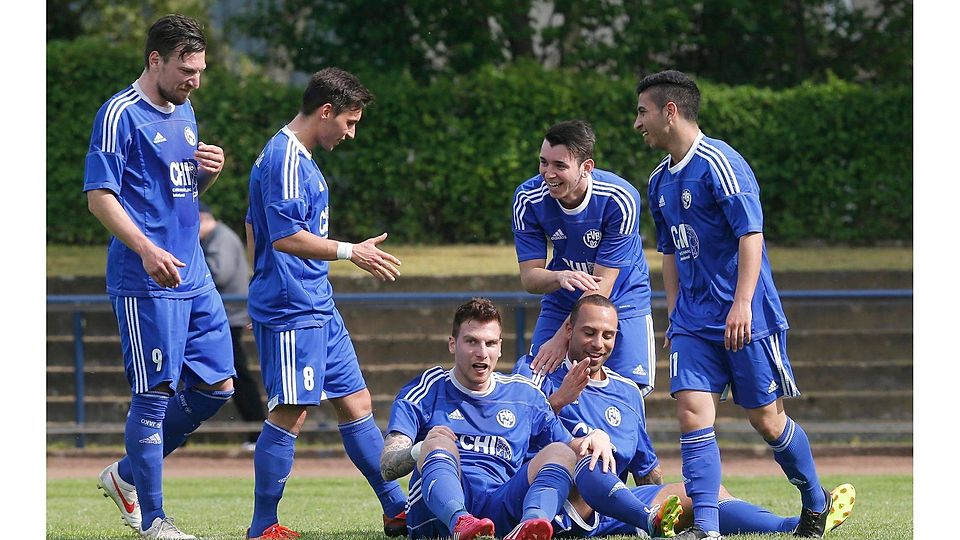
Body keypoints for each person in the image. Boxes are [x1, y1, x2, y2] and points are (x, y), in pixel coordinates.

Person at [635, 69, 834, 539]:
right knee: (691, 413)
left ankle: (814, 499)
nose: (637, 123)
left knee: (767, 420)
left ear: (670, 111)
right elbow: (668, 252)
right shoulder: (658, 180)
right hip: (693, 321)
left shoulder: (721, 162)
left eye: (642, 112)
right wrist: (674, 311)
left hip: (745, 316)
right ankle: (706, 528)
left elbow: (751, 236)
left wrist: (742, 303)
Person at [515, 295, 856, 538]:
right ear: (568, 329)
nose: (598, 343)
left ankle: (791, 526)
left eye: (608, 335)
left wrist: (667, 498)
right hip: (560, 502)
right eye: (589, 332)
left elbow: (646, 468)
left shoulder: (628, 391)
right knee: (588, 462)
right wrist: (559, 400)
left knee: (705, 493)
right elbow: (517, 436)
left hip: (614, 507)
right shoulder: (537, 373)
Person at [86, 14, 233, 540]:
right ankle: (154, 522)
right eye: (186, 69)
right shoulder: (119, 114)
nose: (195, 80)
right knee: (153, 395)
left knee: (217, 387)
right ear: (155, 60)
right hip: (145, 277)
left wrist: (204, 177)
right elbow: (99, 197)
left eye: (200, 70)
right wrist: (146, 249)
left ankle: (126, 474)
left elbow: (174, 193)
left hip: (193, 273)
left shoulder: (186, 108)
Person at [244, 67, 407, 540]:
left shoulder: (297, 157)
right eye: (350, 123)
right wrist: (350, 250)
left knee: (356, 403)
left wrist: (260, 287)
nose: (351, 134)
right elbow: (285, 237)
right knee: (290, 410)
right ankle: (263, 526)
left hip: (315, 302)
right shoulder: (286, 159)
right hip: (293, 306)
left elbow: (253, 224)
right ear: (326, 111)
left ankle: (395, 509)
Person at [379, 297, 616, 540]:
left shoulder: (522, 394)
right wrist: (423, 449)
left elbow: (569, 448)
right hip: (437, 520)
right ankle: (459, 520)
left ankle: (531, 526)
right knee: (438, 439)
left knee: (561, 452)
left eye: (490, 343)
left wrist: (595, 437)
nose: (482, 353)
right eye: (472, 342)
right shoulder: (427, 389)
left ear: (500, 347)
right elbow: (388, 465)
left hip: (499, 505)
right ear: (453, 344)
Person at [511, 120, 655, 394]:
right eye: (543, 163)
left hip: (621, 298)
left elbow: (603, 286)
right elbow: (530, 278)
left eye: (560, 166)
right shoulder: (527, 199)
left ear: (587, 167)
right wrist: (560, 276)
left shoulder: (619, 198)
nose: (548, 174)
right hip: (564, 298)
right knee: (537, 385)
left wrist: (561, 338)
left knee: (628, 392)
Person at [198, 202, 267, 449]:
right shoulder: (218, 237)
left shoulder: (220, 238)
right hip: (226, 316)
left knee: (237, 375)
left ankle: (257, 430)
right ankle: (256, 430)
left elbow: (220, 273)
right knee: (232, 374)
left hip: (228, 317)